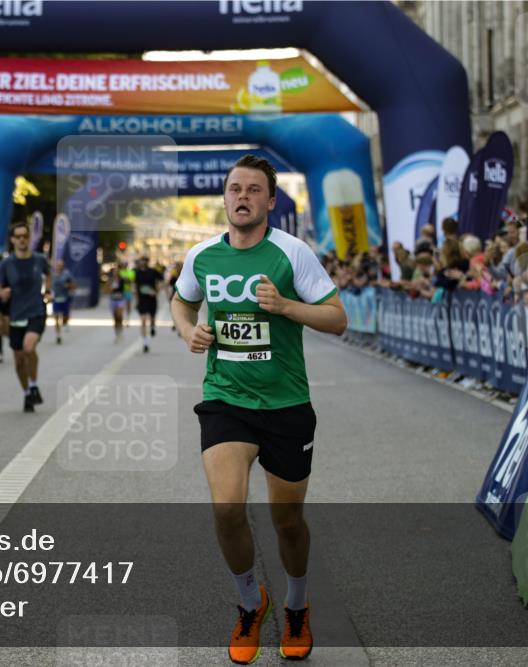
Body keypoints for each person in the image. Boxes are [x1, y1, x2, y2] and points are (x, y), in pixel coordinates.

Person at [171, 155, 347, 664]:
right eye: (233, 189)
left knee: (286, 519)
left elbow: (338, 318)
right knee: (227, 509)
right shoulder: (202, 256)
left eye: (253, 190)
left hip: (287, 404)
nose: (241, 196)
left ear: (270, 201)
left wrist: (286, 307)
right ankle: (251, 602)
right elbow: (182, 302)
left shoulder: (293, 254)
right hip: (226, 399)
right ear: (224, 198)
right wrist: (190, 330)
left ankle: (295, 605)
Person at [0, 222, 51, 413]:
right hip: (16, 314)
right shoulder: (6, 264)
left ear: (29, 238)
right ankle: (27, 393)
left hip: (36, 311)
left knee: (29, 347)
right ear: (12, 240)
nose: (21, 240)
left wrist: (49, 291)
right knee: (19, 360)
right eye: (17, 236)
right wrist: (1, 292)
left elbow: (49, 274)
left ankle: (34, 384)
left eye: (25, 236)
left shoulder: (39, 260)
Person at [133, 255, 162, 353]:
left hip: (151, 299)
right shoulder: (136, 272)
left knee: (152, 319)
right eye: (141, 260)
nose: (143, 262)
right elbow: (135, 286)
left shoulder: (153, 271)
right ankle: (145, 343)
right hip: (142, 299)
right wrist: (136, 300)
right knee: (143, 320)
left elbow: (161, 282)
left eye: (145, 260)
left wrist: (156, 291)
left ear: (147, 262)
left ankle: (153, 327)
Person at [50, 258, 76, 344]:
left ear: (63, 266)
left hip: (65, 298)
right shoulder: (52, 274)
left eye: (61, 265)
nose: (59, 267)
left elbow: (74, 285)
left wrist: (68, 285)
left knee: (65, 317)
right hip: (56, 298)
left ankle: (65, 322)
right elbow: (48, 284)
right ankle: (58, 335)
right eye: (58, 265)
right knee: (56, 317)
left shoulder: (67, 274)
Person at [107, 265, 127, 342]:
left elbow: (127, 287)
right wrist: (111, 288)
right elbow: (107, 290)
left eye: (117, 271)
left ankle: (121, 331)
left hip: (120, 299)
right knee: (115, 318)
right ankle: (117, 334)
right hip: (113, 300)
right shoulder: (110, 280)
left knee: (120, 316)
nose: (115, 273)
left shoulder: (122, 280)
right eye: (114, 272)